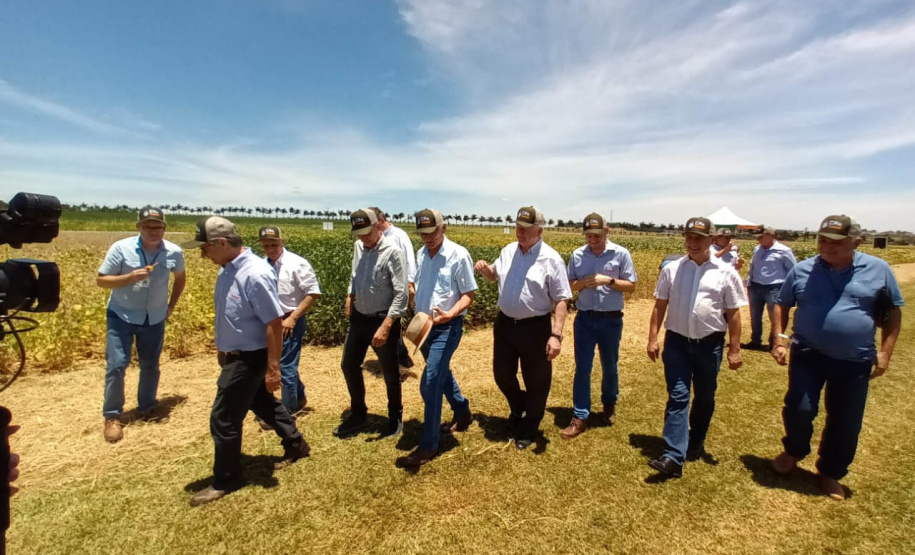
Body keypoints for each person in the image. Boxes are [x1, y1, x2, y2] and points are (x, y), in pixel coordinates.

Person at [769, 215, 903, 501]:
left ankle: (830, 472)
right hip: (807, 353)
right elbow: (782, 303)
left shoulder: (878, 270)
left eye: (835, 242)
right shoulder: (802, 270)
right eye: (822, 240)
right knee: (800, 408)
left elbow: (893, 314)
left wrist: (885, 353)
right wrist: (779, 339)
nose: (826, 246)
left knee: (845, 419)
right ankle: (794, 451)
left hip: (854, 360)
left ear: (857, 241)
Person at [181, 216, 310, 507]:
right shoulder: (227, 269)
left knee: (224, 418)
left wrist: (273, 368)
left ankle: (226, 478)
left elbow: (274, 324)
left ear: (222, 243)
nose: (203, 254)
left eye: (205, 248)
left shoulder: (254, 273)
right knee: (262, 403)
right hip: (236, 354)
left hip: (251, 358)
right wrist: (224, 347)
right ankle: (296, 444)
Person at [646, 217, 747, 478]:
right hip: (677, 342)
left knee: (704, 396)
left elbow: (734, 314)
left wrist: (734, 349)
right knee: (678, 396)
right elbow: (660, 305)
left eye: (698, 238)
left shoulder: (725, 272)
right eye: (689, 237)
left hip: (709, 345)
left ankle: (697, 439)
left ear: (710, 239)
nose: (692, 242)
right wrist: (652, 338)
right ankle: (673, 455)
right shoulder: (672, 269)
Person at [474, 206, 572, 450]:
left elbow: (561, 299)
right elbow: (494, 276)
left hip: (535, 327)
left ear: (539, 230)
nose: (520, 232)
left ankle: (529, 427)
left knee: (537, 380)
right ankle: (520, 407)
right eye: (518, 227)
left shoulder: (551, 258)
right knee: (502, 374)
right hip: (505, 324)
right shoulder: (508, 250)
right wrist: (486, 271)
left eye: (526, 229)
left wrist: (556, 335)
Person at [97, 206, 186, 443]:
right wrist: (129, 278)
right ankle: (113, 416)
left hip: (154, 318)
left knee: (150, 365)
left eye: (158, 227)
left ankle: (147, 406)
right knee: (117, 364)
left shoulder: (174, 253)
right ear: (139, 227)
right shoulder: (121, 248)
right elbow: (101, 280)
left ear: (165, 228)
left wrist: (170, 306)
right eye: (148, 227)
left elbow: (180, 279)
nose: (154, 232)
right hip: (121, 315)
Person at [395, 209, 477, 468]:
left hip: (447, 327)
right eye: (422, 233)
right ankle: (462, 412)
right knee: (440, 373)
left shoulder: (458, 254)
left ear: (444, 228)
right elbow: (421, 286)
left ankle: (428, 445)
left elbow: (469, 294)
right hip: (425, 327)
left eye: (432, 232)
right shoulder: (421, 254)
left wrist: (451, 313)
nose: (427, 238)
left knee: (430, 383)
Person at [561, 213, 637, 439]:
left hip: (611, 319)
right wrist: (583, 283)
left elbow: (631, 286)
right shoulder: (577, 255)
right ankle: (580, 415)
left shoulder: (621, 254)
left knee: (610, 365)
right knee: (582, 367)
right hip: (585, 319)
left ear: (607, 231)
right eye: (588, 235)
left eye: (596, 234)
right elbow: (568, 285)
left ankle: (609, 403)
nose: (592, 239)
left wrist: (609, 281)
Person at [335, 209, 409, 438]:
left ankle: (395, 417)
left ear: (379, 226)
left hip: (382, 318)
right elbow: (355, 275)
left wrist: (387, 325)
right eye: (359, 234)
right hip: (359, 317)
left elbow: (401, 293)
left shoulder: (393, 252)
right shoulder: (359, 247)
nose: (363, 239)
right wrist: (350, 296)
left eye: (367, 233)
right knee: (348, 365)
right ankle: (359, 413)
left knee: (389, 372)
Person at [257, 225, 321, 425]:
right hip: (270, 321)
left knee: (285, 367)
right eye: (266, 245)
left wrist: (293, 318)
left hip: (290, 320)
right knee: (284, 362)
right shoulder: (260, 265)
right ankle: (298, 398)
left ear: (282, 242)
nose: (270, 248)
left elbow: (313, 293)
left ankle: (286, 412)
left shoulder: (297, 263)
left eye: (274, 244)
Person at [370, 207, 417, 369]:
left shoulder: (398, 235)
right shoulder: (378, 237)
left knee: (389, 323)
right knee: (387, 324)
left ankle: (401, 360)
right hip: (382, 288)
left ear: (381, 221)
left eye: (373, 224)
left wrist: (410, 284)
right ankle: (401, 359)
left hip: (397, 287)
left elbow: (409, 260)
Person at [743, 226, 796, 351]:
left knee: (776, 317)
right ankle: (755, 340)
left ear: (771, 236)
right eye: (758, 236)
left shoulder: (784, 251)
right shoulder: (757, 249)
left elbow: (793, 269)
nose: (758, 239)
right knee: (755, 316)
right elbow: (753, 266)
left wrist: (788, 288)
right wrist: (749, 280)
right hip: (755, 286)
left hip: (774, 288)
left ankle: (775, 342)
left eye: (761, 236)